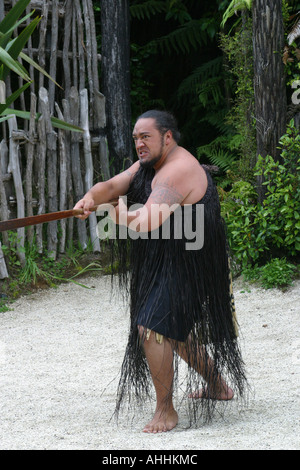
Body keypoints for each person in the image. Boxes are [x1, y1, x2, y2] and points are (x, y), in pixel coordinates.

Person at [74, 110, 247, 433]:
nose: (139, 143)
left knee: (152, 328)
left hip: (192, 259)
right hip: (169, 254)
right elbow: (113, 184)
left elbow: (144, 223)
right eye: (136, 138)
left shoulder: (176, 171)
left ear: (168, 137)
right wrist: (91, 198)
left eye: (146, 137)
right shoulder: (148, 164)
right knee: (172, 329)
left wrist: (116, 213)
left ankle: (165, 411)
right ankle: (218, 386)